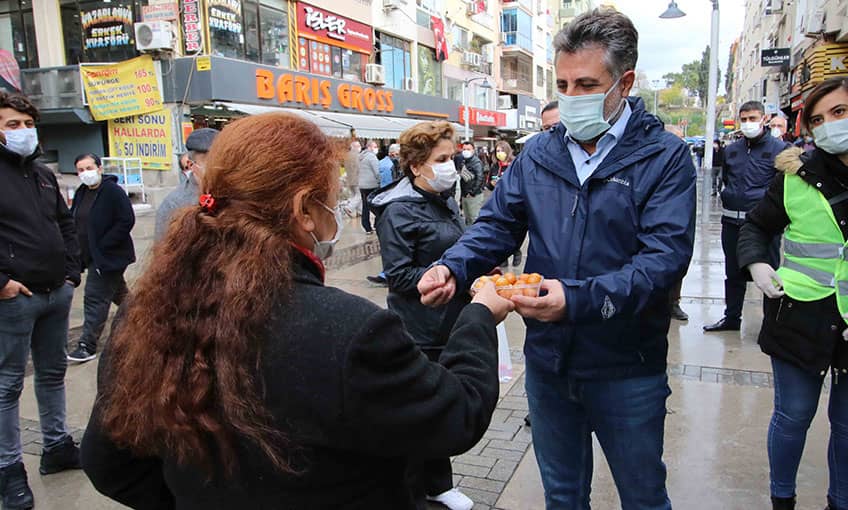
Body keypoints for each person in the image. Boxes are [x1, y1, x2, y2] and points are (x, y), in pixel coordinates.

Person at [80, 112, 513, 510]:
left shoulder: (145, 311)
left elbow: (110, 465)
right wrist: (478, 316)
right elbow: (457, 414)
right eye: (333, 193)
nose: (337, 208)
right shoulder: (349, 331)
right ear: (304, 210)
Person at [418, 9, 696, 509]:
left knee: (643, 495)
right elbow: (497, 224)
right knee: (563, 495)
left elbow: (663, 260)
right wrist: (453, 266)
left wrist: (578, 300)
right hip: (548, 363)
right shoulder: (539, 154)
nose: (571, 97)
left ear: (624, 83)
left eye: (587, 84)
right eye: (563, 84)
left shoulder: (664, 158)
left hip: (626, 365)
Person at [737, 77, 848, 510]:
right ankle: (782, 499)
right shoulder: (795, 177)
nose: (829, 126)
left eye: (839, 113)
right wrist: (757, 263)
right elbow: (756, 225)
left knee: (845, 425)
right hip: (800, 316)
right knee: (793, 416)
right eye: (818, 119)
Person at [369, 121, 475, 510]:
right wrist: (448, 275)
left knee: (439, 404)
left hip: (452, 318)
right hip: (420, 326)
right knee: (423, 408)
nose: (452, 165)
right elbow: (397, 274)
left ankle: (437, 483)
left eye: (453, 157)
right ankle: (420, 488)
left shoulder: (442, 199)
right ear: (416, 165)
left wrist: (473, 271)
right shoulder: (397, 211)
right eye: (442, 159)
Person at [0, 92, 83, 510]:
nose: (22, 131)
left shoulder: (43, 173)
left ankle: (57, 448)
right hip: (14, 300)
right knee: (8, 386)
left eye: (27, 124)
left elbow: (65, 224)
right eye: (12, 124)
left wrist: (71, 273)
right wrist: (4, 284)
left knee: (52, 375)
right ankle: (9, 470)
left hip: (56, 292)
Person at [704, 101, 788, 332]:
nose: (748, 123)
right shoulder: (732, 150)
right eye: (744, 119)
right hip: (731, 221)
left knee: (768, 273)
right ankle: (732, 318)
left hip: (764, 225)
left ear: (764, 119)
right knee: (733, 273)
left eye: (753, 118)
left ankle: (771, 325)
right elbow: (727, 179)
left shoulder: (779, 150)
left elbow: (782, 188)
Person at [67, 153, 135, 363]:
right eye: (80, 170)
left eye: (89, 168)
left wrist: (105, 244)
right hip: (89, 256)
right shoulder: (81, 193)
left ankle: (87, 345)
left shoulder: (112, 192)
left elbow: (126, 220)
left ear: (99, 168)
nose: (85, 173)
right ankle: (147, 317)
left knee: (95, 298)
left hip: (109, 258)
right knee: (121, 296)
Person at [154, 128, 219, 241]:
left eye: (219, 160)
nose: (216, 167)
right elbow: (162, 247)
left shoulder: (235, 195)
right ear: (190, 165)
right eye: (208, 161)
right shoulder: (174, 204)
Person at [367, 143, 402, 286]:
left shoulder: (384, 163)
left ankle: (387, 273)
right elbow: (388, 187)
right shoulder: (390, 166)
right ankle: (387, 274)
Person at [489, 141, 523, 269]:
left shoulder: (514, 165)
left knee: (512, 230)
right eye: (497, 151)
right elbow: (488, 183)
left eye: (502, 150)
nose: (499, 154)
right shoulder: (494, 166)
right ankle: (503, 257)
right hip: (497, 203)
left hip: (512, 203)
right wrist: (492, 184)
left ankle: (516, 250)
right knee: (499, 231)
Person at [458, 140, 485, 226]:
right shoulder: (464, 161)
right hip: (465, 194)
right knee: (468, 218)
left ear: (473, 150)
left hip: (474, 195)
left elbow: (480, 178)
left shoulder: (476, 162)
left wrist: (472, 192)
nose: (466, 151)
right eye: (464, 149)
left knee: (474, 218)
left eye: (468, 149)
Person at [358, 139, 381, 234]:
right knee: (377, 205)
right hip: (372, 185)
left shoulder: (360, 157)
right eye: (375, 147)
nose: (376, 149)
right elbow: (377, 172)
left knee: (365, 207)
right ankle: (377, 223)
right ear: (369, 147)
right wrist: (380, 181)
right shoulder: (372, 157)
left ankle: (367, 227)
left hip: (362, 185)